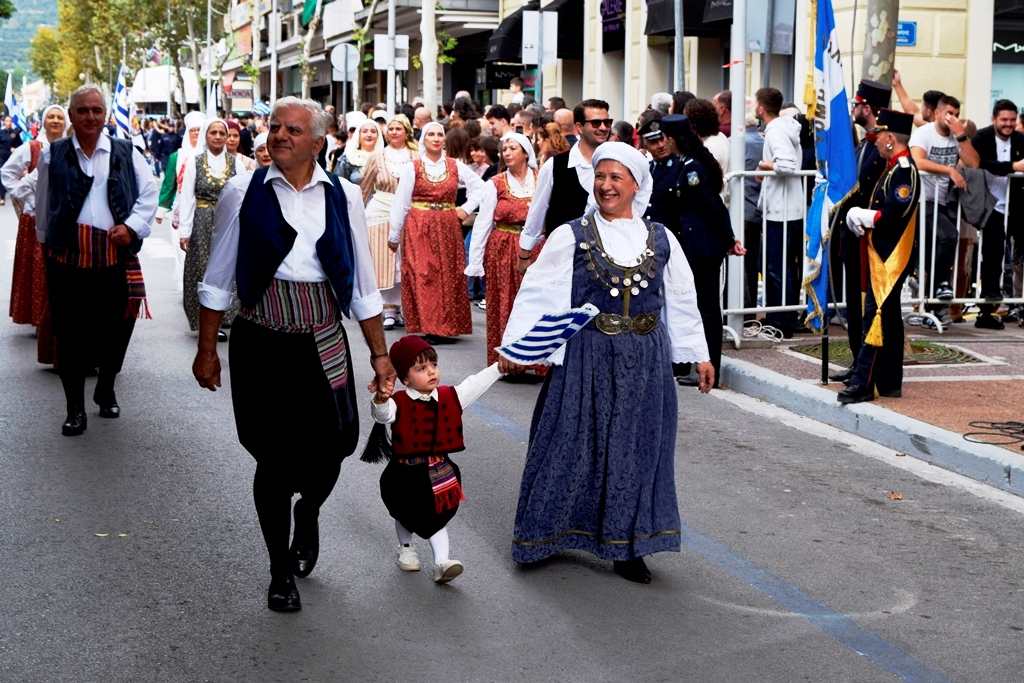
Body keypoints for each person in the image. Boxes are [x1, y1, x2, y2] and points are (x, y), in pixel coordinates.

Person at [192, 96, 395, 612]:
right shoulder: (243, 190)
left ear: (319, 141)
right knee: (273, 458)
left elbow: (363, 281)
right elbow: (217, 277)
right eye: (275, 127)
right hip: (261, 339)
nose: (279, 135)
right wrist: (206, 351)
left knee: (338, 445)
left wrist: (379, 354)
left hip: (323, 337)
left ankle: (309, 514)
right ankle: (279, 569)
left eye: (293, 130)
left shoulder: (344, 194)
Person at [500, 142, 712, 583]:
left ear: (637, 184)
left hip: (647, 360)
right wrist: (518, 349)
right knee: (569, 440)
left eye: (616, 178)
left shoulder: (662, 238)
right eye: (600, 177)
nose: (606, 185)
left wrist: (699, 354)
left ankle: (628, 546)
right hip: (588, 354)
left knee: (638, 449)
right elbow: (540, 290)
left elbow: (681, 299)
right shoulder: (570, 235)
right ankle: (543, 534)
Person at [35, 85, 158, 436]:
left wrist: (131, 227)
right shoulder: (52, 154)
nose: (90, 117)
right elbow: (45, 202)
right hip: (66, 259)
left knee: (117, 330)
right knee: (69, 335)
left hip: (115, 257)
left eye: (97, 110)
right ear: (72, 115)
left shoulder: (125, 151)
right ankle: (75, 408)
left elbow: (149, 193)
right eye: (83, 110)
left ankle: (106, 387)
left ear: (105, 115)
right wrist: (48, 244)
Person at [365, 335, 502, 583]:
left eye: (433, 365)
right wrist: (380, 399)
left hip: (439, 472)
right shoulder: (398, 403)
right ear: (405, 378)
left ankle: (442, 562)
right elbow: (382, 416)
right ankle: (406, 549)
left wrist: (498, 368)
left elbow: (475, 383)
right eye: (421, 368)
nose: (431, 372)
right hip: (405, 474)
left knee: (437, 516)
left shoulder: (450, 396)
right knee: (405, 514)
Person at [642, 113, 740, 387]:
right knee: (695, 305)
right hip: (694, 244)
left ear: (672, 139)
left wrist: (729, 239)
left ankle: (712, 367)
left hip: (704, 246)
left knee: (707, 309)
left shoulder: (693, 166)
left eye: (665, 139)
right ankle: (692, 363)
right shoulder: (686, 163)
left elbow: (711, 206)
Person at [838, 110, 921, 404]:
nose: (875, 142)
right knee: (888, 318)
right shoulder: (894, 167)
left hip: (890, 258)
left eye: (879, 137)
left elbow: (893, 212)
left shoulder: (904, 171)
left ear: (889, 138)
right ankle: (888, 381)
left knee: (874, 318)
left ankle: (863, 383)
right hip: (882, 253)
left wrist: (864, 216)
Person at [388, 121, 486, 341]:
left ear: (444, 139)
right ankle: (431, 326)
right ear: (423, 139)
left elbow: (481, 188)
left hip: (448, 225)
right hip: (419, 226)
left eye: (439, 134)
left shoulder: (454, 165)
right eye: (430, 134)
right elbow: (401, 202)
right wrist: (394, 235)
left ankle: (447, 325)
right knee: (425, 273)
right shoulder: (412, 167)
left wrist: (465, 209)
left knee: (448, 274)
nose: (435, 138)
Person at [831, 80, 892, 383]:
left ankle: (869, 367)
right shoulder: (863, 144)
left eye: (856, 105)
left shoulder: (880, 149)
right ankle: (858, 361)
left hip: (867, 239)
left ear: (867, 108)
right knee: (853, 306)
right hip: (849, 237)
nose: (854, 110)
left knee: (865, 306)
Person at [465, 133, 541, 365]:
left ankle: (536, 360)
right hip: (503, 247)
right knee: (507, 302)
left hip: (537, 248)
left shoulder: (542, 178)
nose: (506, 153)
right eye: (504, 149)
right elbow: (483, 224)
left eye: (512, 148)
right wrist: (475, 261)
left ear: (526, 153)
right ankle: (509, 359)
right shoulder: (495, 184)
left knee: (536, 302)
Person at [2, 104, 68, 365]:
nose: (55, 120)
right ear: (43, 121)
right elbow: (7, 174)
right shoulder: (31, 148)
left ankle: (52, 321)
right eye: (51, 117)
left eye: (59, 117)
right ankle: (40, 319)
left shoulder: (71, 147)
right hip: (35, 219)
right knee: (37, 270)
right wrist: (27, 194)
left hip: (63, 221)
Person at [517, 99, 611, 274]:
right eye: (596, 123)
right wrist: (525, 253)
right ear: (579, 127)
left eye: (607, 122)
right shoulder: (555, 165)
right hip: (562, 258)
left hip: (606, 258)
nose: (603, 128)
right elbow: (538, 210)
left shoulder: (616, 164)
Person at [909, 95, 979, 306]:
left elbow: (973, 163)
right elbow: (918, 162)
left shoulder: (957, 136)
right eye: (949, 113)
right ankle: (940, 284)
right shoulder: (923, 133)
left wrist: (961, 135)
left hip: (942, 203)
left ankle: (932, 304)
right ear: (937, 113)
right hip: (921, 201)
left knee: (934, 254)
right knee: (949, 235)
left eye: (957, 115)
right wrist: (949, 169)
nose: (953, 118)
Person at [178, 118, 245, 337]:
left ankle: (228, 317)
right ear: (206, 136)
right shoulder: (195, 162)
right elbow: (187, 197)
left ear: (227, 137)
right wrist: (185, 232)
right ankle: (204, 321)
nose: (217, 136)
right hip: (202, 221)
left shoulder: (237, 164)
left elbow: (244, 197)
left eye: (221, 133)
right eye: (213, 132)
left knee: (229, 268)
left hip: (229, 223)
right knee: (202, 268)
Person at [362, 114, 419, 330]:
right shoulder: (377, 156)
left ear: (406, 132)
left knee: (403, 262)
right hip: (379, 213)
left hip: (408, 213)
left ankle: (401, 307)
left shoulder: (416, 156)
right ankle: (387, 308)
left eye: (398, 128)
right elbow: (364, 187)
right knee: (383, 262)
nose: (394, 132)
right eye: (391, 129)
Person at [971, 99, 1024, 330]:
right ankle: (987, 311)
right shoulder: (982, 137)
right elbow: (981, 163)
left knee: (1020, 258)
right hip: (991, 207)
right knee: (992, 260)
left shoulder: (1021, 139)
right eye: (1004, 119)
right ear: (994, 119)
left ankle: (1018, 305)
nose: (1008, 124)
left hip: (1017, 207)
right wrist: (1013, 166)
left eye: (1012, 120)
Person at [755, 87, 804, 335]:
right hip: (788, 206)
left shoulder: (775, 131)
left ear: (761, 108)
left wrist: (764, 164)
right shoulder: (786, 128)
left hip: (781, 209)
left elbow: (786, 164)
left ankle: (781, 318)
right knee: (783, 264)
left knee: (777, 265)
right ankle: (784, 313)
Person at [157, 111, 205, 293]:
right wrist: (162, 211)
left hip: (203, 208)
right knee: (181, 248)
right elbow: (169, 185)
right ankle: (186, 286)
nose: (196, 134)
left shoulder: (210, 155)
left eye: (200, 130)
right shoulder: (177, 157)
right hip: (180, 208)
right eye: (192, 130)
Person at [336, 119, 382, 184]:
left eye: (373, 131)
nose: (369, 135)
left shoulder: (384, 158)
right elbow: (338, 185)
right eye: (364, 131)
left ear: (378, 136)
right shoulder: (348, 158)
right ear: (358, 135)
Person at [0, 115, 24, 205]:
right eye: (7, 121)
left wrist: (15, 148)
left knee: (12, 175)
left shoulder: (15, 133)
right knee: (2, 173)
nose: (8, 123)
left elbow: (21, 145)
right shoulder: (1, 132)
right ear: (4, 122)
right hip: (1, 156)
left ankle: (15, 195)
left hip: (11, 158)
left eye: (10, 121)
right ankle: (2, 197)